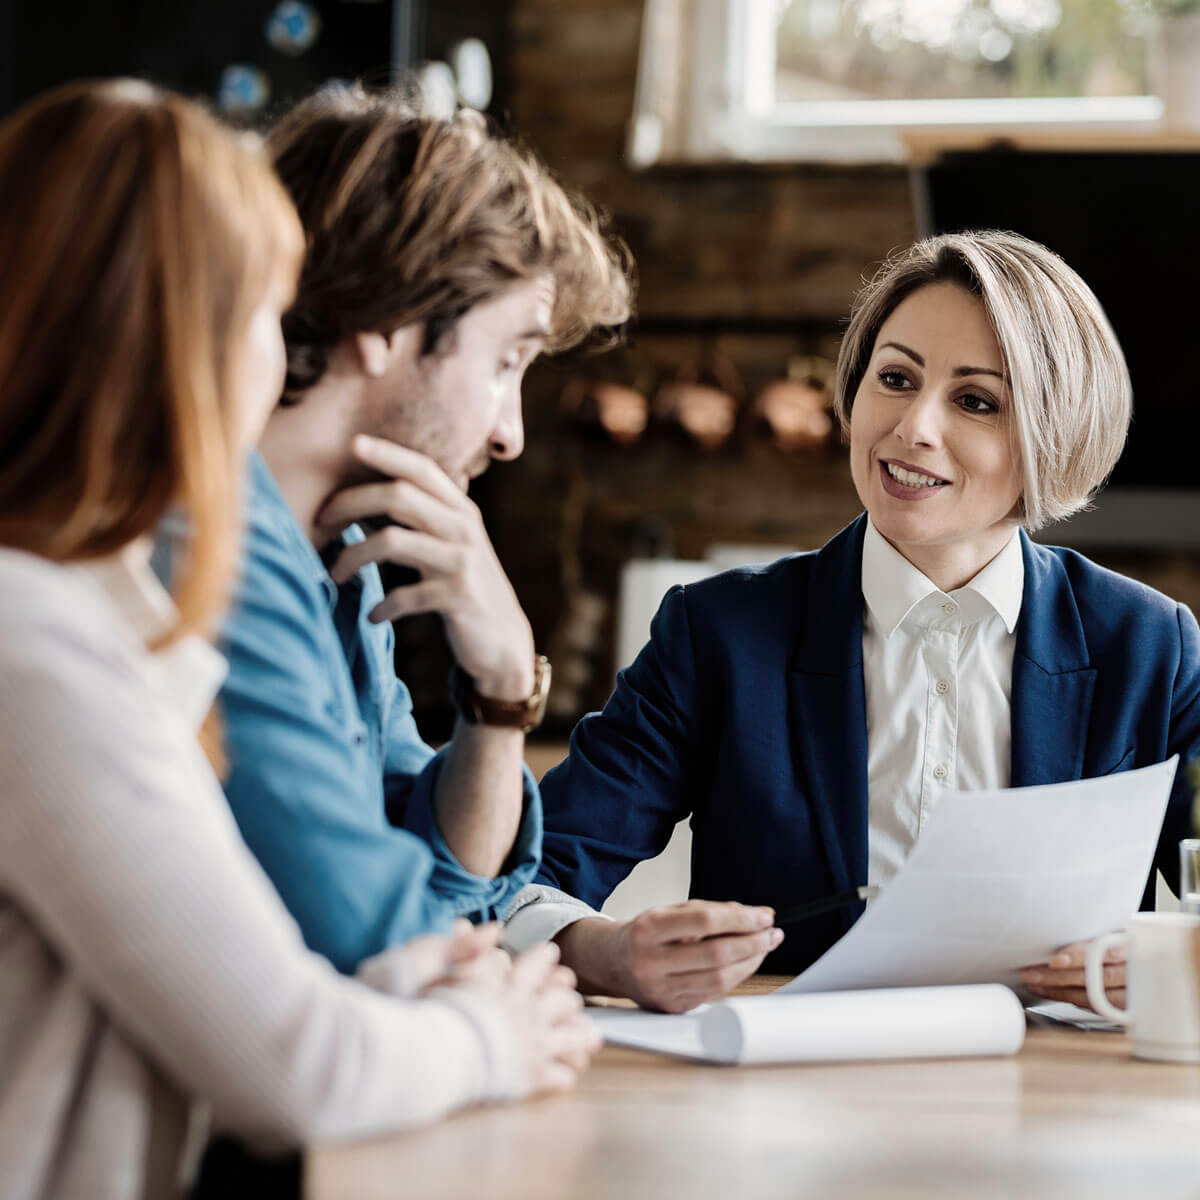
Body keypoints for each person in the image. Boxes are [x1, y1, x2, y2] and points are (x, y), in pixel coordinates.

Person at [0, 80, 597, 1200]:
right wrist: (486, 1032)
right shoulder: (36, 642)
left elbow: (396, 925)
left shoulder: (85, 607)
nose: (282, 361)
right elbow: (301, 1050)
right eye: (261, 316)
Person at [505, 230, 1199, 1013]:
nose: (913, 428)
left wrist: (1163, 959)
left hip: (1062, 1099)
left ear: (1056, 432)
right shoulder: (718, 632)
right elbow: (526, 870)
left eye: (975, 400)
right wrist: (608, 953)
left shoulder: (1150, 645)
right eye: (896, 378)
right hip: (790, 1096)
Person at [207, 85, 632, 974]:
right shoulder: (214, 551)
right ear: (386, 319)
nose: (511, 432)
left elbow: (452, 897)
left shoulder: (345, 561)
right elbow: (375, 938)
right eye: (507, 358)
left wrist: (503, 686)